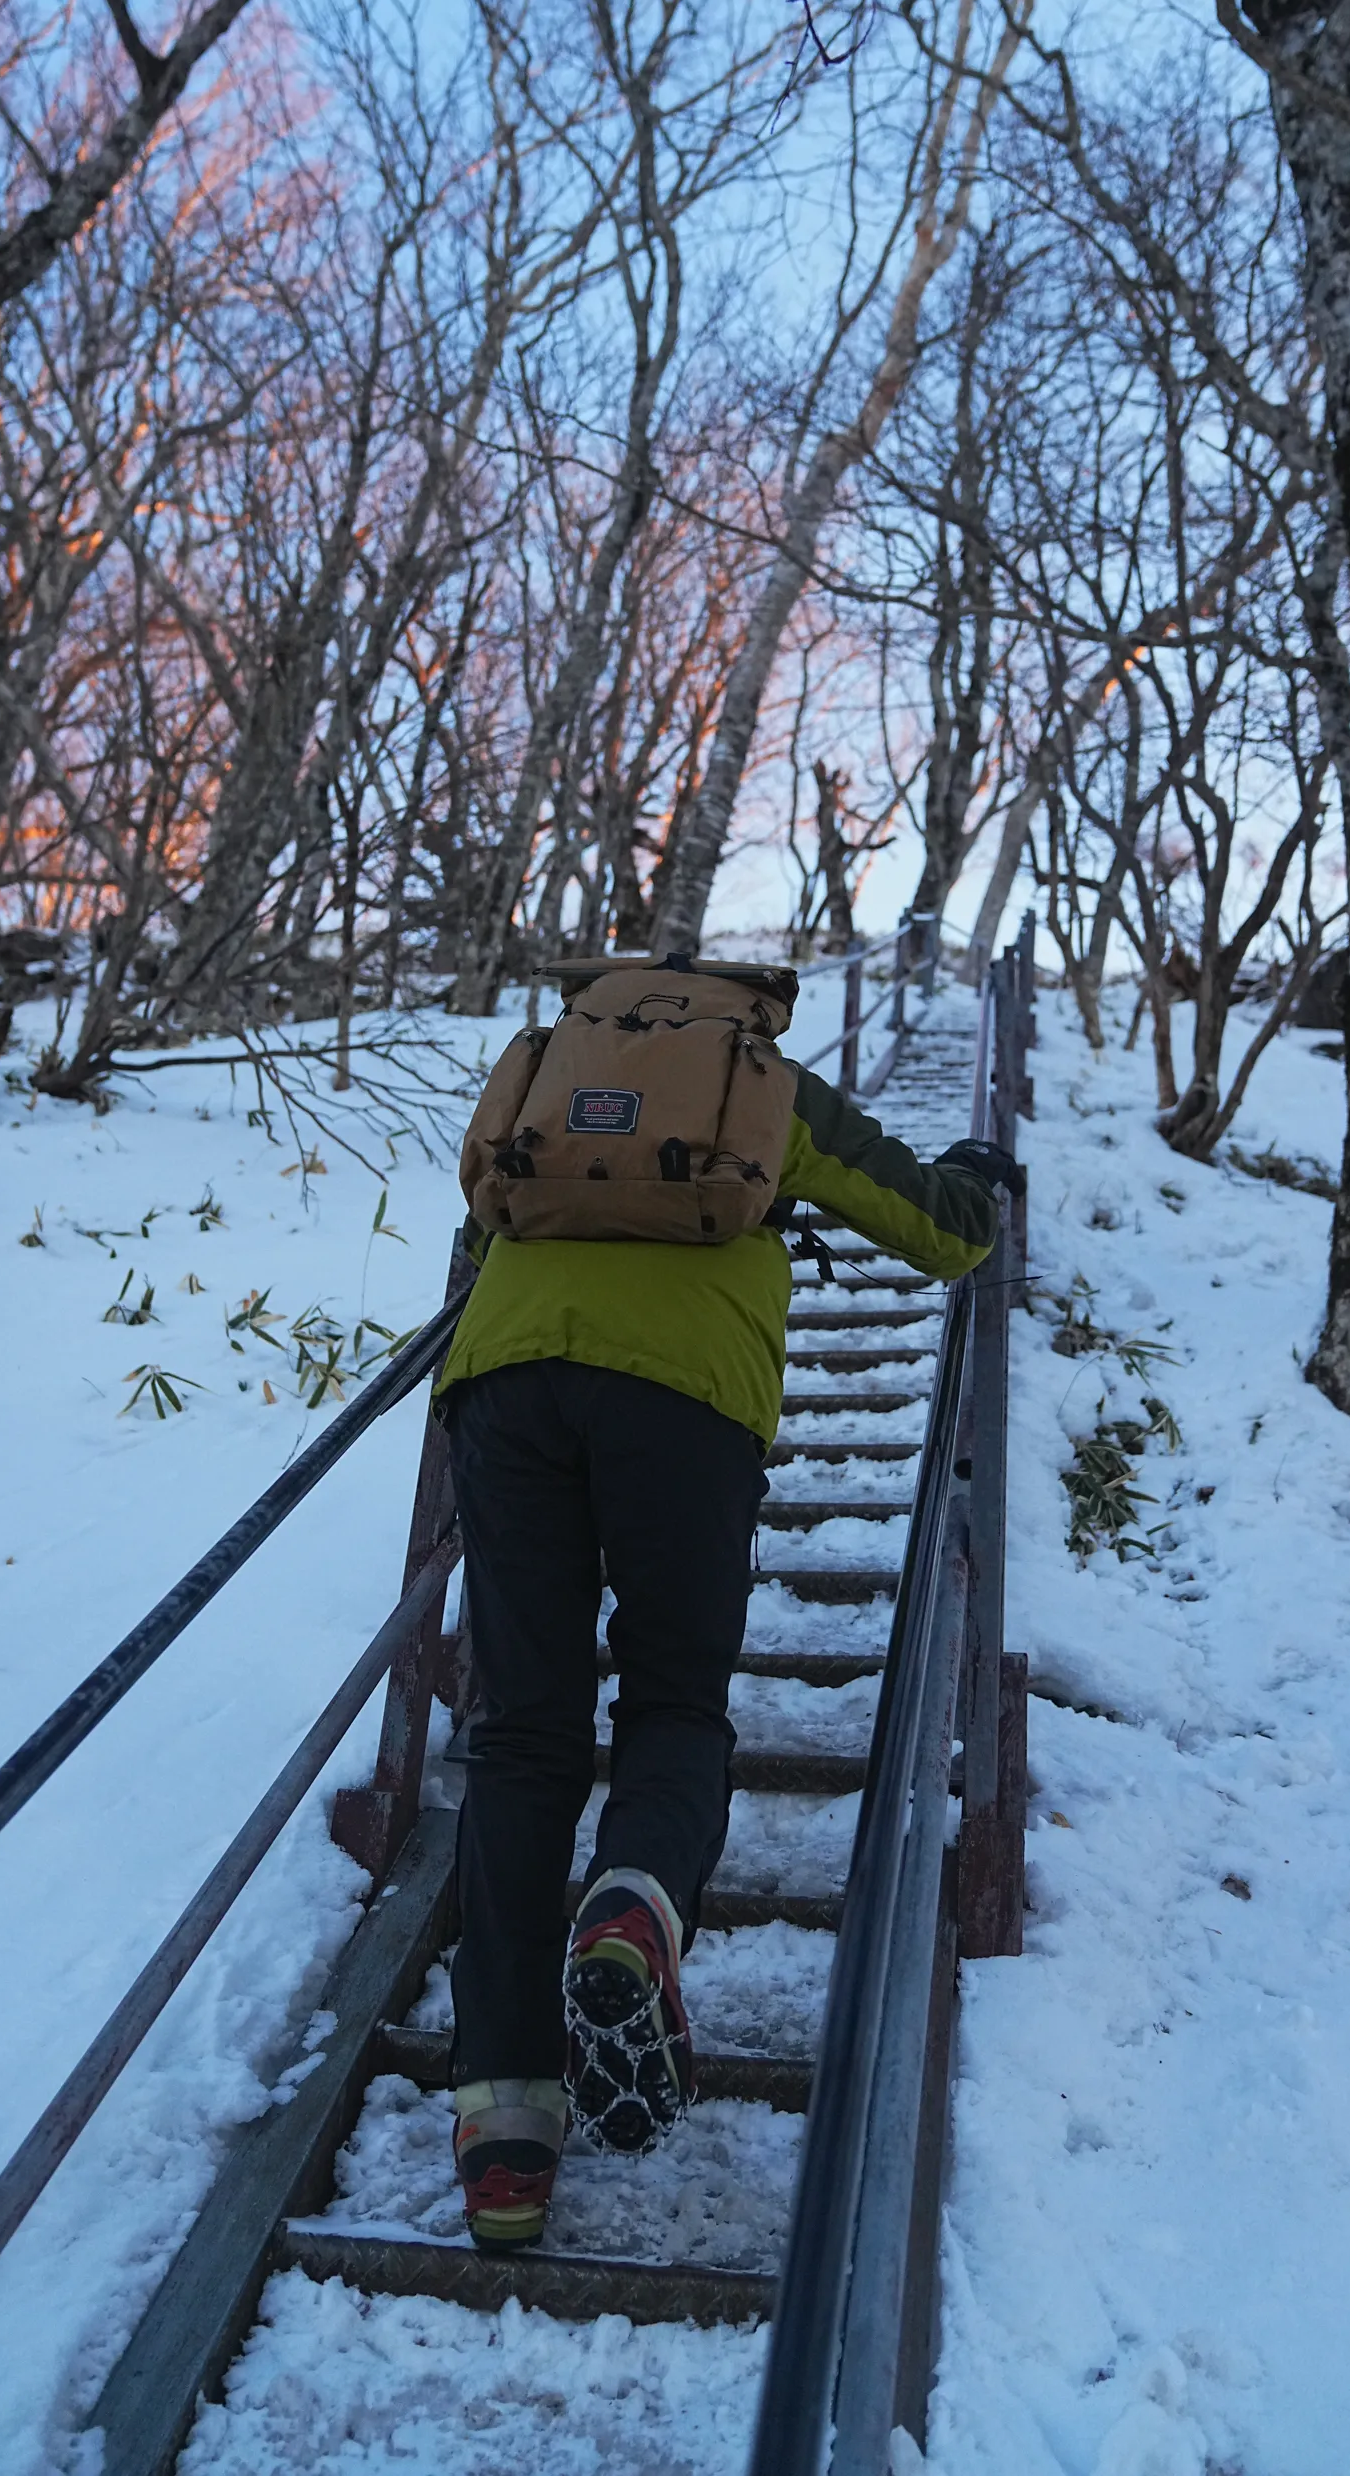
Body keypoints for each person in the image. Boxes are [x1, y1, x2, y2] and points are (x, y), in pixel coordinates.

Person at [433, 954, 1013, 2249]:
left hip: (508, 1390)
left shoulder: (542, 1063)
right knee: (675, 1697)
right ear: (746, 1003)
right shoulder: (763, 1084)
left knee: (520, 1734)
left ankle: (508, 2141)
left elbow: (482, 1222)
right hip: (686, 1405)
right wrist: (980, 1176)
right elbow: (937, 1230)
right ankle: (635, 1898)